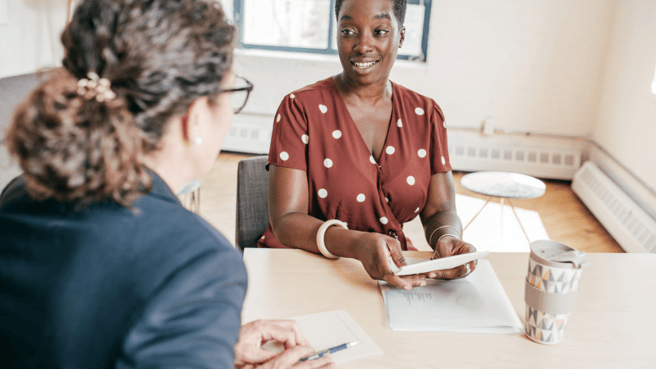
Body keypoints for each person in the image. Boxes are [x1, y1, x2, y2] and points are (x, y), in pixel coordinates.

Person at [0, 1, 333, 368]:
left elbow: (69, 334)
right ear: (193, 118)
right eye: (230, 93)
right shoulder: (197, 264)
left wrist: (195, 341)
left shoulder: (20, 195)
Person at [259, 0, 478, 290]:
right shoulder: (300, 108)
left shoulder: (426, 115)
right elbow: (286, 221)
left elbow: (440, 209)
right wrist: (356, 244)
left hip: (392, 268)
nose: (363, 45)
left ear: (400, 36)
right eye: (348, 31)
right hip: (305, 265)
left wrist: (446, 237)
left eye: (380, 31)